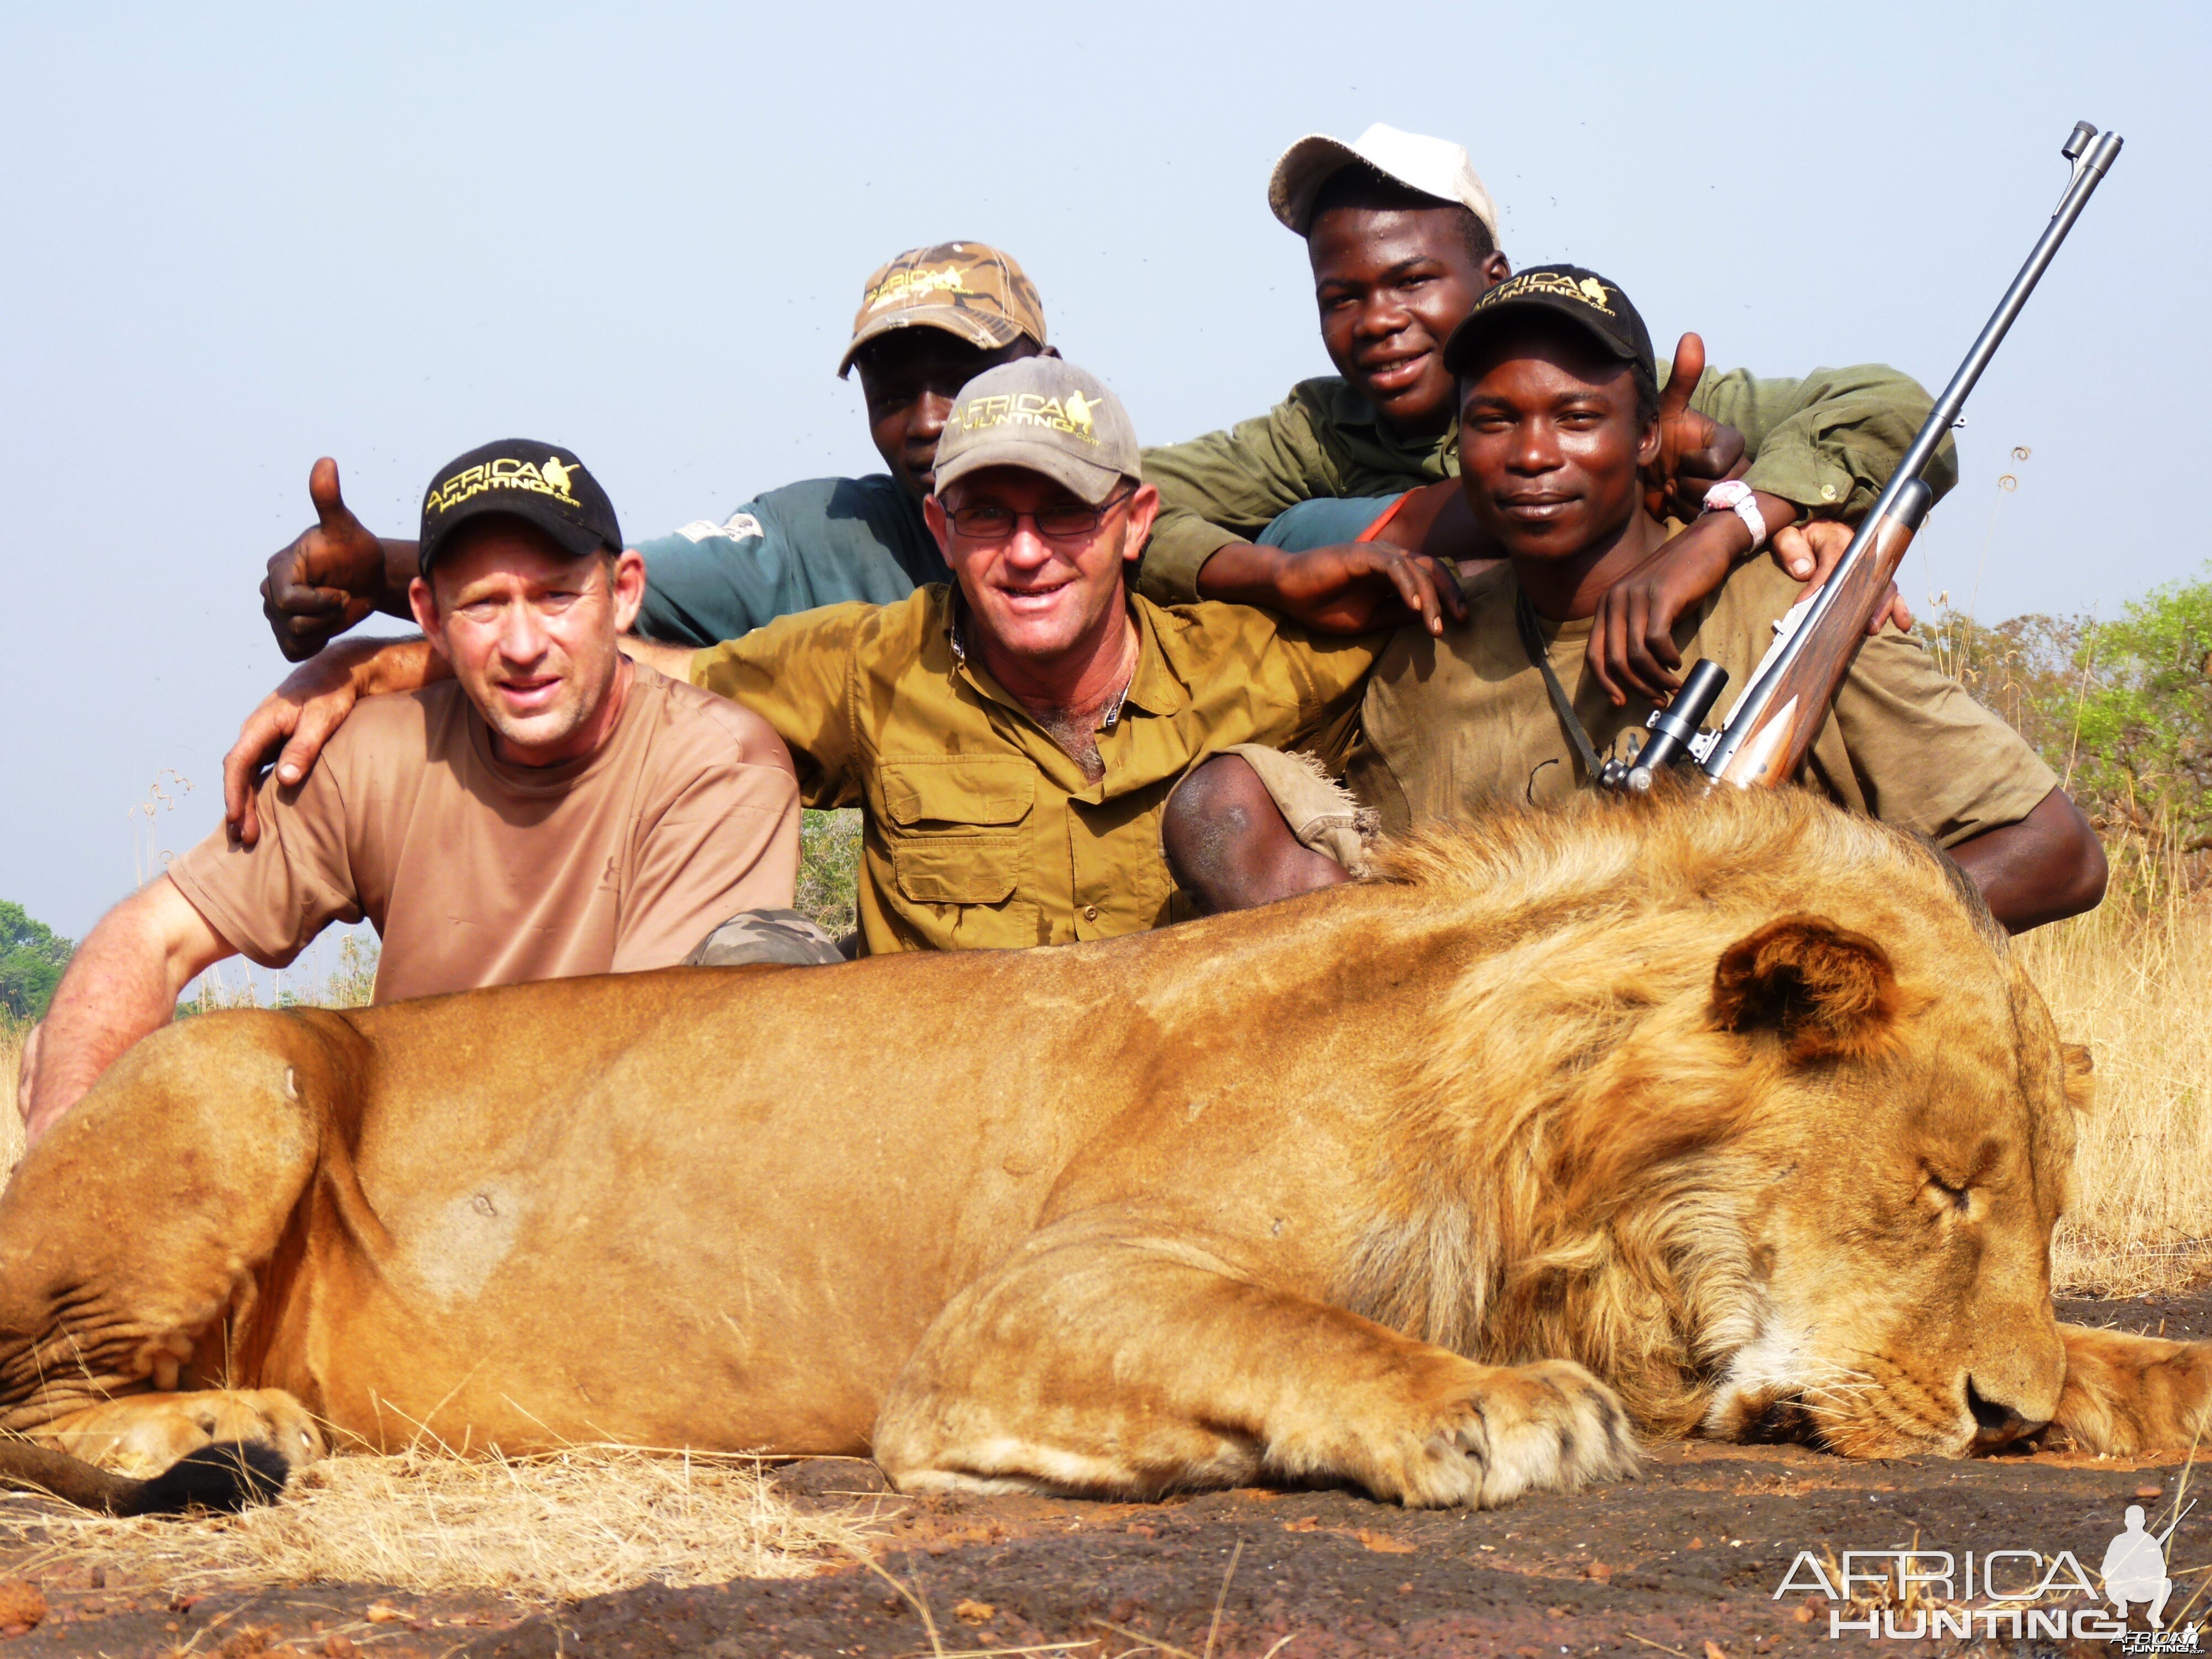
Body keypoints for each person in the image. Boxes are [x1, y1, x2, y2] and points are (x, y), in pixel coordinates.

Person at [224, 362, 1410, 956]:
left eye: (1065, 516)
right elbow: (627, 675)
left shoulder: (1267, 658)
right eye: (989, 517)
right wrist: (387, 662)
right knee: (749, 958)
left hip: (1202, 1114)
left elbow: (1498, 612)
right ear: (940, 532)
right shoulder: (862, 664)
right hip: (952, 1141)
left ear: (1135, 523)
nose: (1029, 553)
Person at [1164, 269, 2106, 936]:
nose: (1533, 456)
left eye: (1578, 418)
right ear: (1458, 445)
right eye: (1495, 421)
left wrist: (1787, 938)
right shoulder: (1424, 646)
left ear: (1653, 437)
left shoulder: (1781, 611)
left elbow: (2056, 856)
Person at [22, 440, 801, 1145]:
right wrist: (65, 1155)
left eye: (559, 596)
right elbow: (147, 940)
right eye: (485, 605)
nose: (524, 646)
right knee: (106, 1067)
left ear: (624, 594)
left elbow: (640, 1075)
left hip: (601, 1189)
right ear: (428, 616)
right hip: (396, 1194)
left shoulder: (717, 764)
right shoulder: (372, 751)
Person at [1139, 123, 1949, 701]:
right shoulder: (1321, 427)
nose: (1379, 320)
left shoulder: (1617, 388)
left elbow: (1903, 409)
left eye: (1413, 281)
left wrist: (1729, 525)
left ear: (1493, 276)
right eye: (1342, 297)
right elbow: (1114, 503)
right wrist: (1274, 571)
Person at [258, 244, 1052, 659]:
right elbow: (590, 593)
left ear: (1048, 375)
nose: (924, 422)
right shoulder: (833, 538)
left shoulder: (1145, 526)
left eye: (960, 383)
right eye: (890, 397)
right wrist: (384, 574)